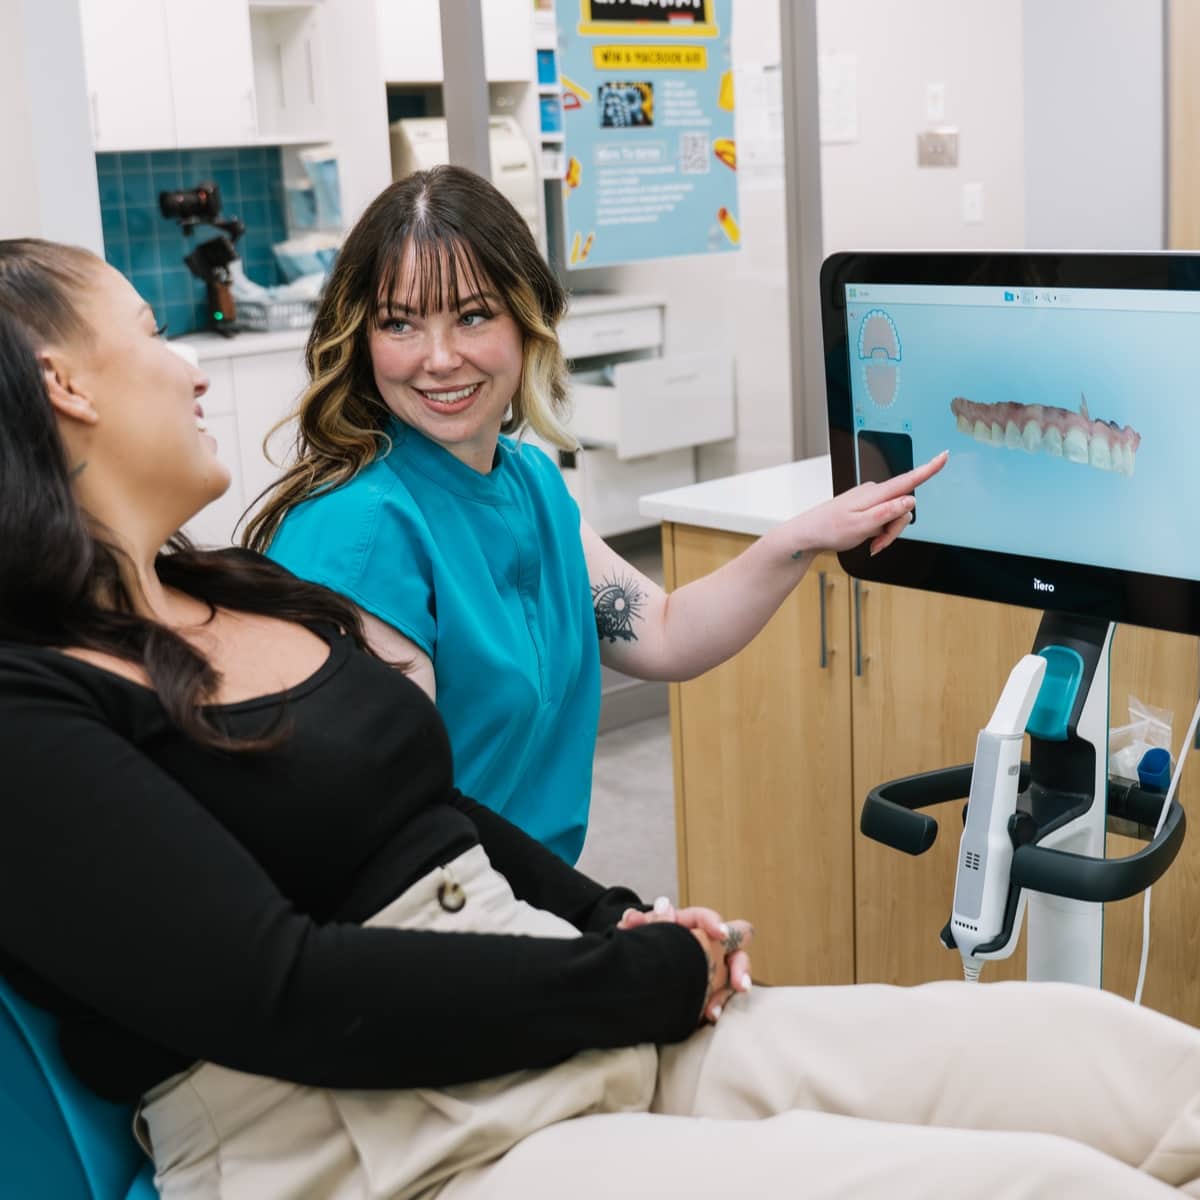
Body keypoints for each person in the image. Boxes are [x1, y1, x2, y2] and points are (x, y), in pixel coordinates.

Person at [5, 241, 1200, 1200]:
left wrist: (612, 918)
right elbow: (279, 992)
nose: (193, 367)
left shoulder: (246, 587)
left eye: (475, 316)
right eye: (152, 332)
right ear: (65, 383)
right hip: (381, 1133)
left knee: (1105, 1059)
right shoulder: (35, 701)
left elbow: (438, 797)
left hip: (544, 992)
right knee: (1041, 1182)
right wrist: (634, 974)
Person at [244, 165, 948, 862]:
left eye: (472, 316)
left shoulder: (528, 482)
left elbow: (663, 633)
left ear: (528, 321)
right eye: (400, 324)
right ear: (361, 340)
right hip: (449, 910)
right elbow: (394, 829)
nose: (439, 358)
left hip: (527, 894)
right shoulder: (360, 530)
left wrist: (801, 538)